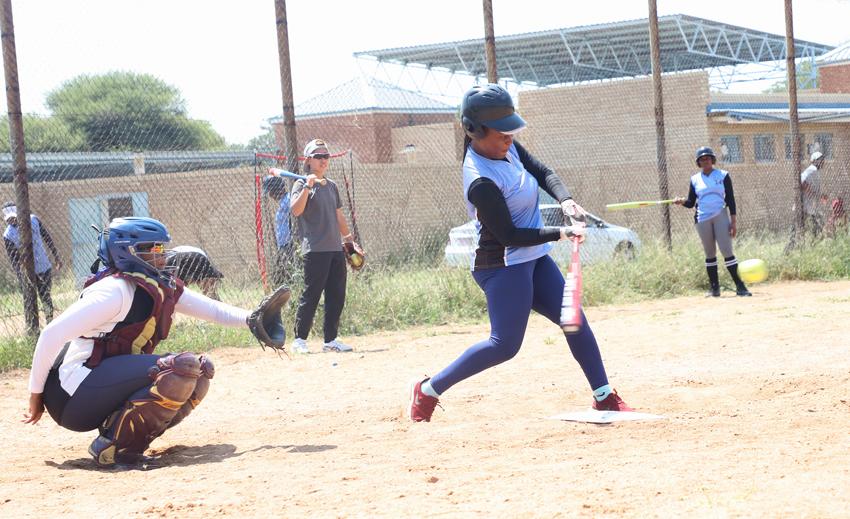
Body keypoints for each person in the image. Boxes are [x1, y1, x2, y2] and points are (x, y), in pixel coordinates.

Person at [407, 84, 633, 423]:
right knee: (504, 345)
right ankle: (428, 389)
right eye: (502, 131)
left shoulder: (506, 148)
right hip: (502, 265)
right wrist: (562, 231)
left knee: (573, 321)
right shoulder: (480, 179)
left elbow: (543, 172)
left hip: (534, 257)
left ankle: (604, 397)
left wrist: (565, 200)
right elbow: (509, 235)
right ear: (475, 131)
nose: (510, 136)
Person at [22, 217, 286, 468]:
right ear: (128, 252)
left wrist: (251, 320)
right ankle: (113, 450)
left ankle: (124, 441)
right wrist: (36, 395)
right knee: (181, 368)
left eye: (162, 247)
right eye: (154, 249)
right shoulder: (114, 291)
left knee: (201, 369)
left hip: (98, 385)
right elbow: (50, 335)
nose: (162, 255)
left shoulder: (156, 286)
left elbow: (213, 310)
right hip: (71, 396)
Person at [289, 139, 358, 355]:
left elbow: (338, 215)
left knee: (336, 294)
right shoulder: (301, 184)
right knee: (312, 294)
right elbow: (296, 211)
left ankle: (331, 339)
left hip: (335, 248)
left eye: (326, 156)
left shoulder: (332, 186)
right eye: (318, 156)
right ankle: (299, 339)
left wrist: (348, 240)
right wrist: (308, 186)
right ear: (308, 160)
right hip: (315, 249)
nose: (323, 160)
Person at [674, 147, 751, 297]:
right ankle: (714, 288)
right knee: (710, 253)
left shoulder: (723, 175)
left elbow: (730, 199)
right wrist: (681, 201)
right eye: (702, 159)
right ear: (698, 162)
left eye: (708, 158)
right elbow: (691, 202)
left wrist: (733, 222)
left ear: (713, 160)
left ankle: (740, 286)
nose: (705, 161)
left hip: (720, 215)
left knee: (727, 251)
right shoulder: (695, 179)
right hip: (702, 218)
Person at [3, 202, 63, 323]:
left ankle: (49, 320)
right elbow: (14, 259)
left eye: (13, 217)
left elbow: (47, 237)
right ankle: (32, 325)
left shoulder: (34, 220)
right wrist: (21, 276)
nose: (11, 221)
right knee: (30, 299)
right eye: (9, 219)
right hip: (27, 273)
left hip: (44, 266)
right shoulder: (8, 235)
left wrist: (56, 256)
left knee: (45, 296)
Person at [263, 175, 296, 286]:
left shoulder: (288, 200)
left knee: (286, 276)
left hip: (290, 244)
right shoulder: (283, 202)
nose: (270, 195)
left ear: (275, 189)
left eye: (270, 191)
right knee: (282, 278)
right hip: (284, 245)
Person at [800, 151, 827, 235]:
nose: (823, 162)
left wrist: (820, 195)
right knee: (814, 227)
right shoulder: (812, 169)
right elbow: (801, 180)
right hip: (805, 205)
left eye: (823, 160)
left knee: (816, 228)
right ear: (814, 161)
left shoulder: (816, 171)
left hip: (811, 206)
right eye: (820, 160)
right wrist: (810, 192)